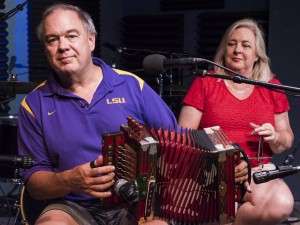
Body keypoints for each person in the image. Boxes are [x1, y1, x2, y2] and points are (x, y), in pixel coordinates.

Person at [17, 3, 175, 225]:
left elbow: (175, 144)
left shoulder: (132, 86)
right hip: (72, 206)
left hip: (135, 204)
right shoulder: (33, 104)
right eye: (53, 40)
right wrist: (70, 180)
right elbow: (34, 183)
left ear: (91, 40)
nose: (63, 46)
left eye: (71, 35)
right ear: (46, 49)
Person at [178, 18, 294, 225]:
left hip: (257, 169)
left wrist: (275, 136)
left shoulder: (272, 86)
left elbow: (286, 139)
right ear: (224, 49)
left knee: (281, 203)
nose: (237, 50)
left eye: (246, 45)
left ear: (257, 54)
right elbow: (184, 135)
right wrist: (218, 162)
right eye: (231, 44)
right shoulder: (206, 82)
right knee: (221, 207)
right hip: (210, 169)